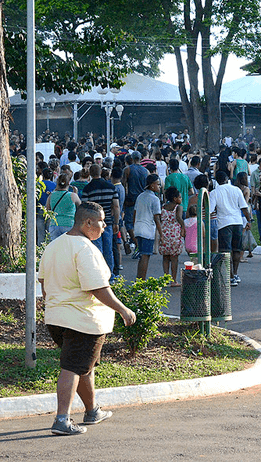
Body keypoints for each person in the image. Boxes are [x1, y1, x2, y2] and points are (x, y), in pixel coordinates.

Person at [39, 202, 137, 435]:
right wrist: (123, 309)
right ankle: (62, 420)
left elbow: (44, 283)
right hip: (82, 320)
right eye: (102, 221)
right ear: (88, 223)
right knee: (72, 367)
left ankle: (92, 410)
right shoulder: (85, 249)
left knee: (84, 365)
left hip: (56, 318)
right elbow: (97, 288)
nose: (105, 226)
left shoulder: (54, 246)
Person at [210, 171, 251, 287]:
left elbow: (210, 210)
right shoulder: (236, 190)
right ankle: (235, 273)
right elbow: (244, 207)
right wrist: (249, 220)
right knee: (237, 249)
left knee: (226, 251)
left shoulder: (214, 193)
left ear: (216, 181)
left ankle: (230, 275)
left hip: (223, 224)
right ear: (227, 178)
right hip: (237, 222)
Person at [82, 164, 120, 280]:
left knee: (97, 250)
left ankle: (99, 275)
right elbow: (116, 206)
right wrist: (116, 222)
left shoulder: (87, 188)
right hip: (107, 221)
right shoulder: (111, 187)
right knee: (109, 250)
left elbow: (84, 208)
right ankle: (110, 276)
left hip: (93, 224)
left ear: (90, 174)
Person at [134, 174, 162, 279]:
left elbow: (134, 213)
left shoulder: (140, 196)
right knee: (145, 256)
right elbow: (157, 218)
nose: (159, 187)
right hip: (147, 230)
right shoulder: (155, 199)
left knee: (142, 256)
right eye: (158, 184)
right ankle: (142, 281)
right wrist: (161, 234)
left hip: (138, 228)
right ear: (152, 185)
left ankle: (139, 280)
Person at [159, 187, 185, 287]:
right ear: (175, 198)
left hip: (164, 233)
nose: (181, 199)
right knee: (174, 259)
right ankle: (174, 280)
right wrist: (183, 227)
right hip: (174, 234)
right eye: (180, 197)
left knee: (165, 258)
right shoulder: (178, 207)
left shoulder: (163, 207)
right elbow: (178, 218)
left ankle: (165, 279)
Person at [46, 174, 81, 241]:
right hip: (69, 224)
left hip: (54, 224)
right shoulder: (73, 195)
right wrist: (76, 193)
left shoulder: (51, 195)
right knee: (69, 247)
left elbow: (47, 209)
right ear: (68, 183)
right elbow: (80, 207)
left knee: (55, 248)